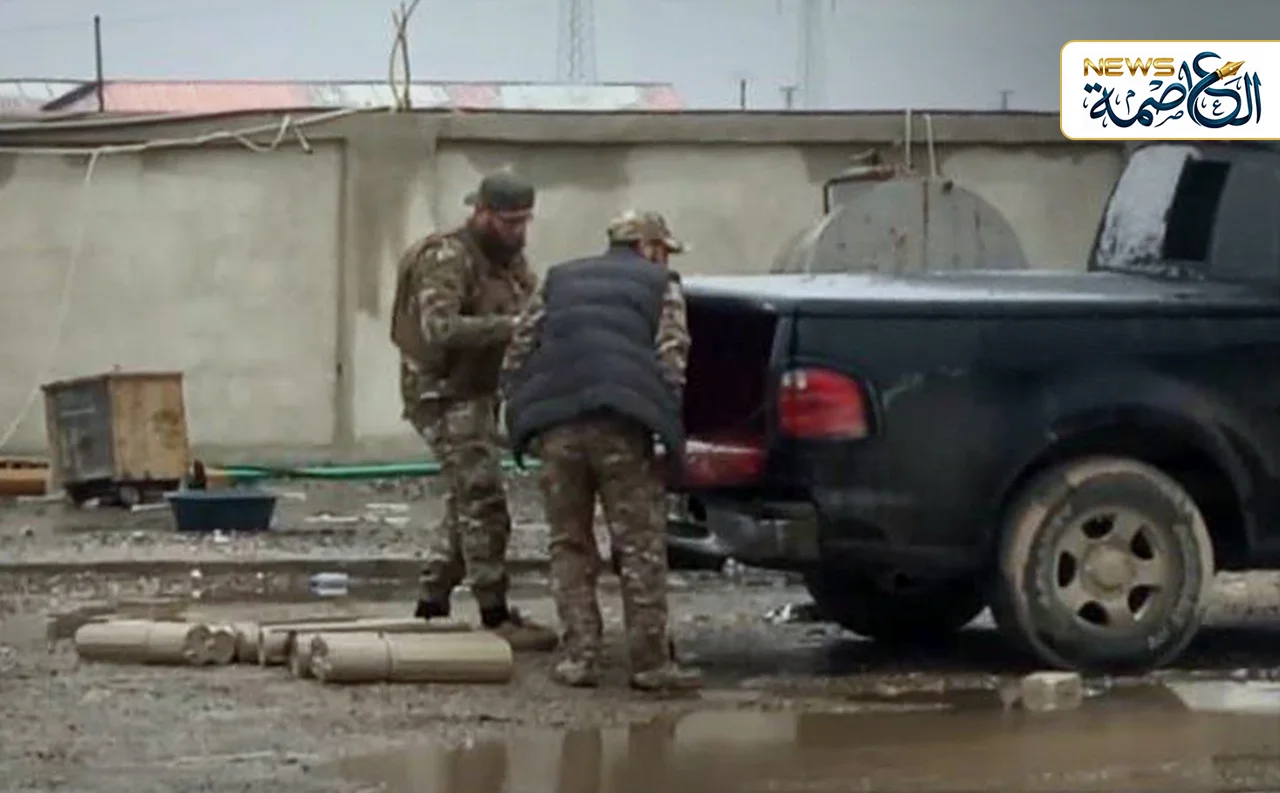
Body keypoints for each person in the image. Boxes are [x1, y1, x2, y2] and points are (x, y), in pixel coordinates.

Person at [499, 209, 702, 692]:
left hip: (556, 427)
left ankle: (580, 657)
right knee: (638, 543)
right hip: (621, 424)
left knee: (568, 542)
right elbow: (672, 358)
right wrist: (664, 425)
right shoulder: (662, 285)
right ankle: (649, 663)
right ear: (648, 247)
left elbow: (518, 349)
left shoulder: (558, 279)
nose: (665, 259)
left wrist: (523, 411)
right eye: (663, 250)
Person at [389, 172, 557, 651]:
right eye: (507, 221)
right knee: (483, 500)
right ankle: (494, 613)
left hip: (479, 390)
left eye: (523, 221)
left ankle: (432, 603)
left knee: (465, 500)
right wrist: (513, 327)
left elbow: (533, 302)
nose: (517, 231)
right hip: (442, 393)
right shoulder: (447, 257)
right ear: (481, 213)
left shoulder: (507, 260)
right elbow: (440, 328)